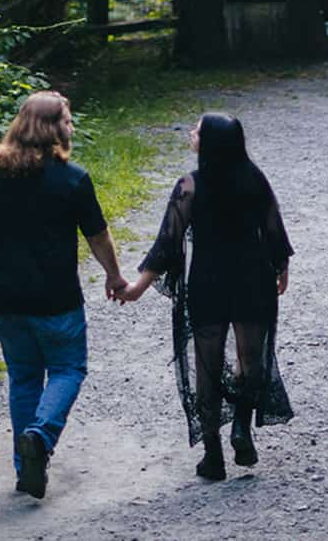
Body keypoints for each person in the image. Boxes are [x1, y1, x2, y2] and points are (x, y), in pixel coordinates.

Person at [0, 90, 127, 500]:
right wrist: (114, 275)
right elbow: (97, 235)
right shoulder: (72, 179)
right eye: (68, 120)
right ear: (52, 128)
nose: (72, 127)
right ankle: (39, 435)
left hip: (10, 300)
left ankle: (25, 469)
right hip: (57, 301)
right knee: (69, 370)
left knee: (23, 378)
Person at [117, 111, 293, 481]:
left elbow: (167, 244)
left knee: (207, 368)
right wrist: (281, 268)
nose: (191, 133)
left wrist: (137, 288)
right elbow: (274, 228)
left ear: (210, 141)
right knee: (250, 360)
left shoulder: (190, 186)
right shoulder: (254, 179)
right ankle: (242, 428)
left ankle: (213, 456)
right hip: (252, 281)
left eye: (197, 129)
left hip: (208, 284)